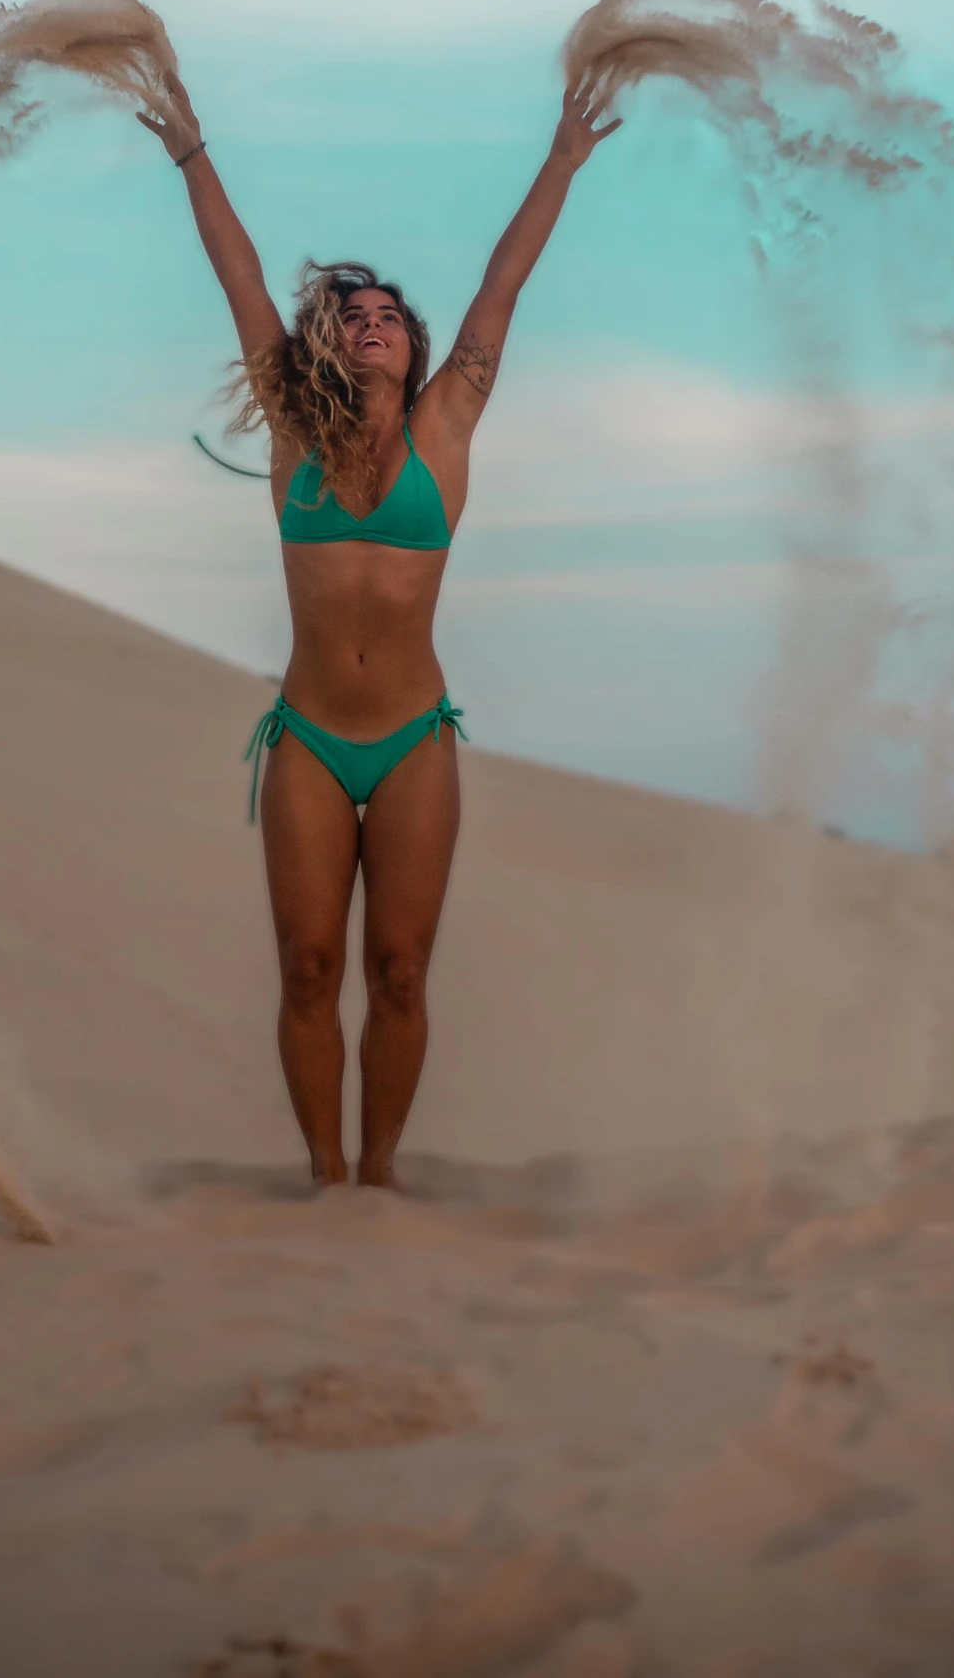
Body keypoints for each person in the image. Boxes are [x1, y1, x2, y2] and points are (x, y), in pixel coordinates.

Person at [139, 71, 622, 1186]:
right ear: (327, 343)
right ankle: (323, 1177)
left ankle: (382, 1175)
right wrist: (191, 155)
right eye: (352, 318)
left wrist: (560, 159)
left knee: (399, 971)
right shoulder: (291, 430)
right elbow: (240, 276)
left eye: (388, 318)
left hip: (410, 739)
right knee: (308, 968)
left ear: (415, 346)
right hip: (310, 736)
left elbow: (506, 279)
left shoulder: (450, 423)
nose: (371, 327)